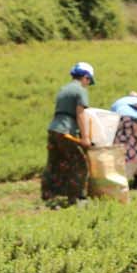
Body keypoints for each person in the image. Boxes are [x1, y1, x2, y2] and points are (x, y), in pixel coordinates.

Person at [41, 61, 95, 206]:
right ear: (85, 77)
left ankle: (49, 196)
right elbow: (80, 114)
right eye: (88, 80)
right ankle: (77, 198)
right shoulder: (80, 91)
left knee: (54, 163)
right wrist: (85, 138)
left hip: (54, 129)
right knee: (79, 163)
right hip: (66, 131)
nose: (87, 84)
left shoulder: (64, 89)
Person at [110, 91, 137, 190]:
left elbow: (111, 114)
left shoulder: (121, 101)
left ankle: (119, 181)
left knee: (120, 150)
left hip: (120, 121)